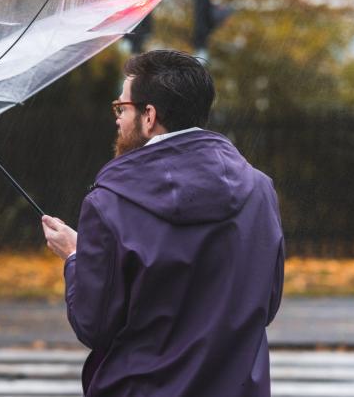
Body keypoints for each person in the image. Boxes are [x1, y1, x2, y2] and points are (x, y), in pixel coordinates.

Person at [41, 49, 284, 397]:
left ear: (149, 115)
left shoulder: (111, 203)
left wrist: (76, 257)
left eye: (121, 108)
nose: (118, 118)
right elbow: (266, 303)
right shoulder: (260, 191)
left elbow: (93, 325)